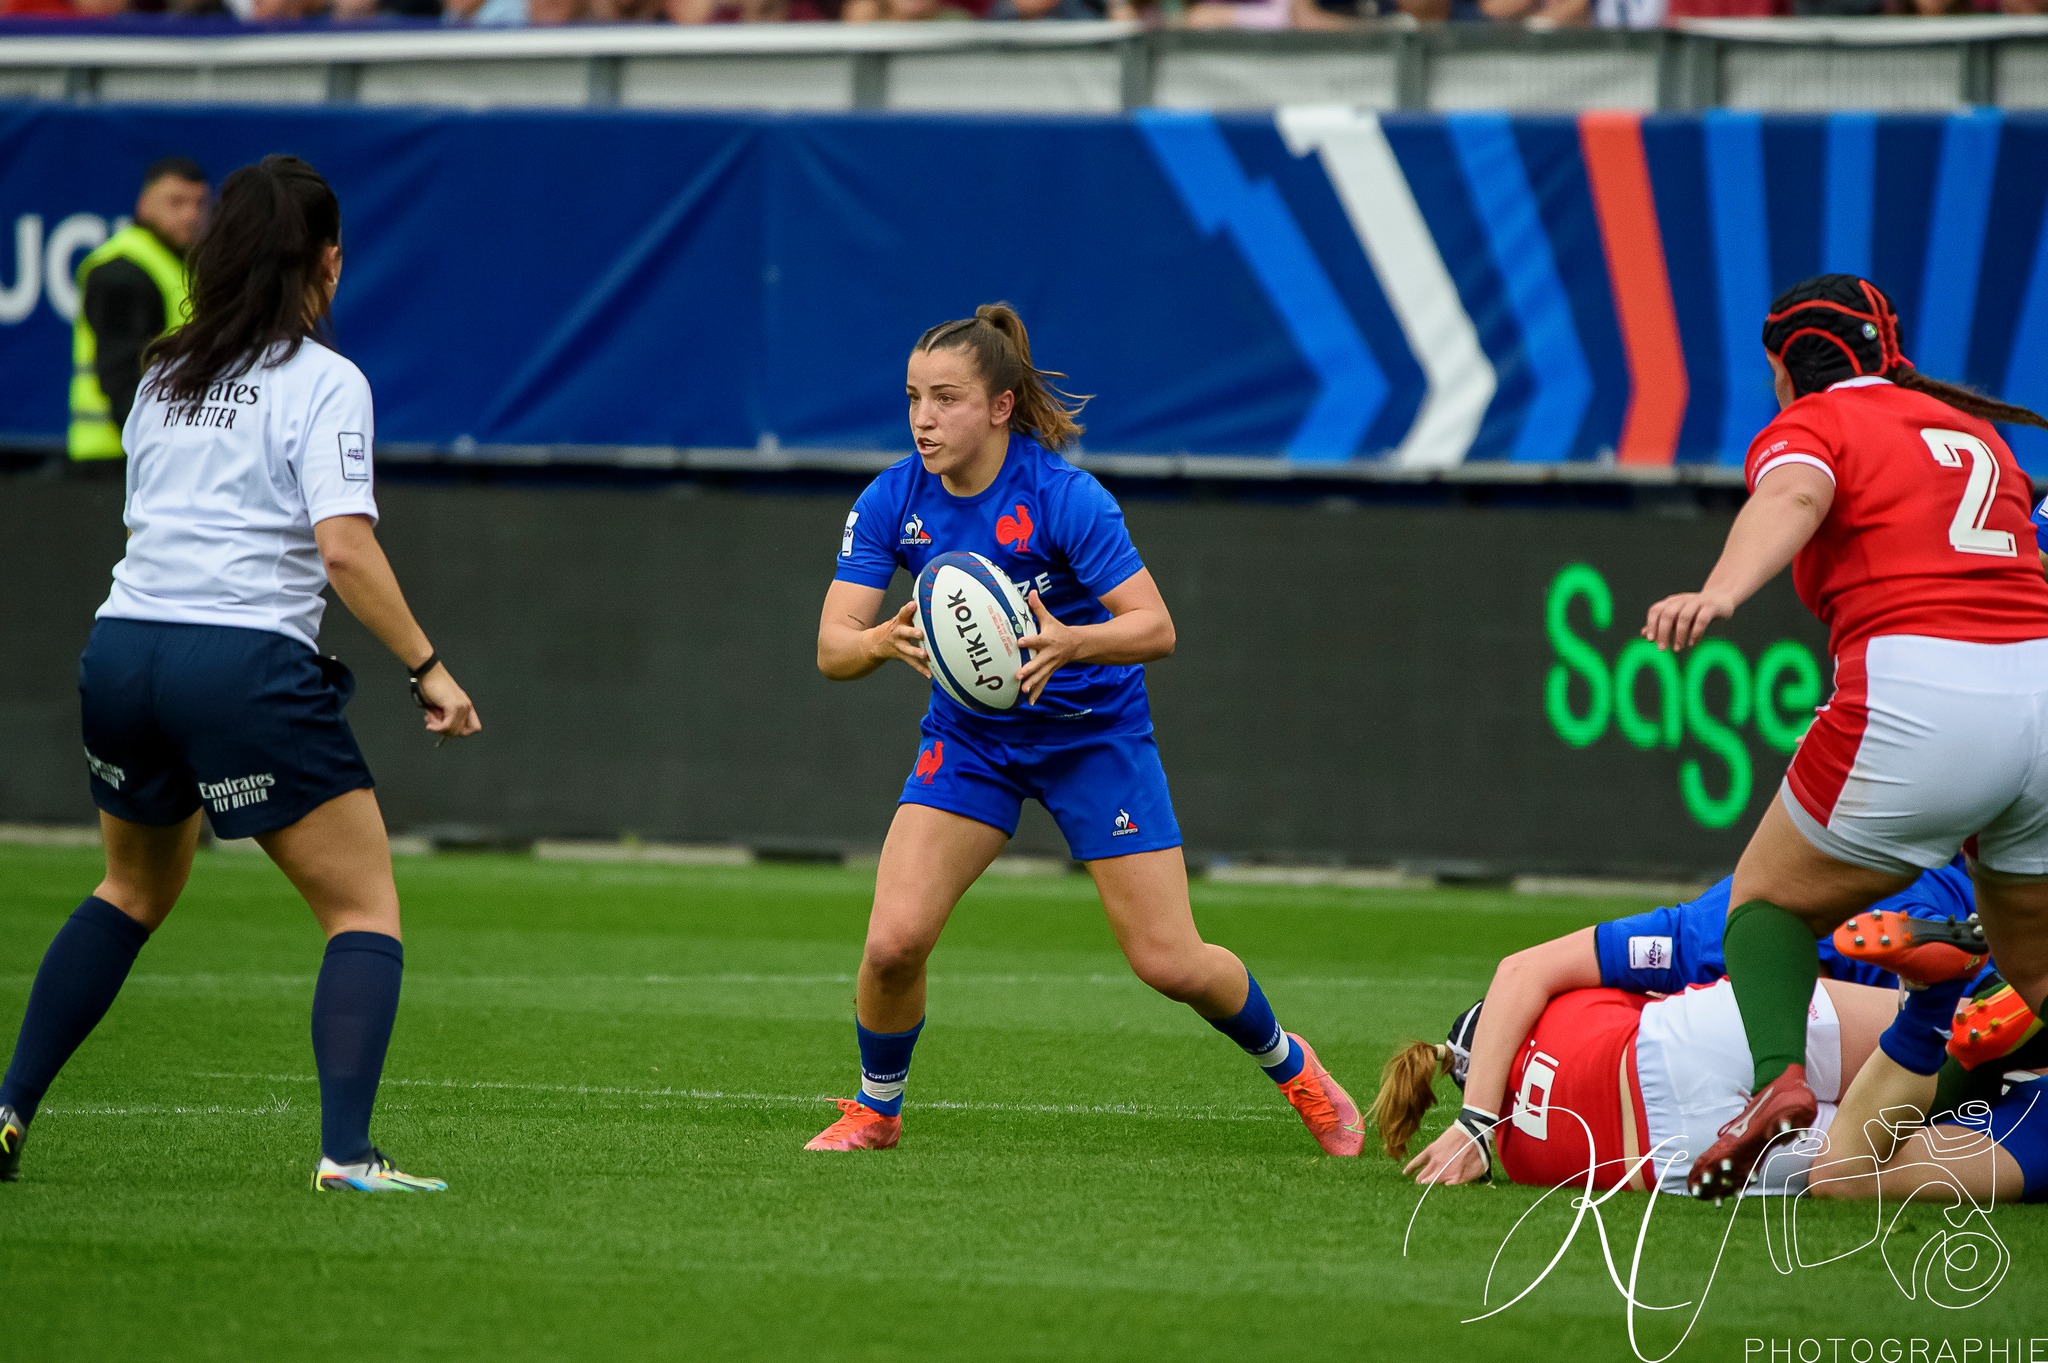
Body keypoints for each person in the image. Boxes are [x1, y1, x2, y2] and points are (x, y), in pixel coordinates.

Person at [0, 155, 481, 1193]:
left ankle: (7, 1108)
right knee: (362, 912)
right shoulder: (325, 378)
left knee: (130, 887)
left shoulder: (165, 367)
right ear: (330, 264)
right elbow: (343, 548)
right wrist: (426, 666)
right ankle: (348, 1157)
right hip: (241, 659)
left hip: (122, 647)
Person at [807, 302, 1364, 1155]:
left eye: (946, 398)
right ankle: (876, 1111)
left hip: (1091, 738)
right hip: (972, 743)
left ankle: (1296, 1068)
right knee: (891, 944)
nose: (923, 418)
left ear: (999, 407)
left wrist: (1074, 640)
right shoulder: (893, 498)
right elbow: (832, 648)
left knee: (1170, 963)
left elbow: (1156, 627)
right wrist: (881, 639)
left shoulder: (1067, 498)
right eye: (914, 397)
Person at [1640, 273, 2048, 1201]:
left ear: (1789, 367)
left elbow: (1790, 500)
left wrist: (1720, 591)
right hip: (2041, 684)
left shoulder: (1816, 422)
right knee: (2032, 966)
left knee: (1768, 905)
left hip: (1921, 687)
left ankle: (1777, 1079)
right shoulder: (1972, 430)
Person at [1396, 860, 1985, 1187]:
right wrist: (1473, 1121)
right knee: (1958, 1033)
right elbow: (1520, 971)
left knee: (1858, 1168)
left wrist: (1479, 1125)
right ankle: (1957, 1004)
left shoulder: (1520, 1151)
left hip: (1676, 1158)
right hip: (1714, 1017)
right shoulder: (1675, 945)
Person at [68, 158, 209, 466]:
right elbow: (122, 377)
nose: (191, 214)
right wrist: (155, 451)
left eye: (199, 203)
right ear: (144, 206)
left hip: (150, 450)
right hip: (116, 457)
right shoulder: (122, 272)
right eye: (176, 202)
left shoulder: (178, 265)